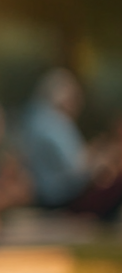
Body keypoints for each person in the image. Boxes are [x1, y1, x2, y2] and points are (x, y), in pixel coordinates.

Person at [18, 68, 122, 218]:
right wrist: (99, 160)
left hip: (51, 194)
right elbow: (75, 171)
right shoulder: (54, 123)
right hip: (60, 197)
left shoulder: (40, 121)